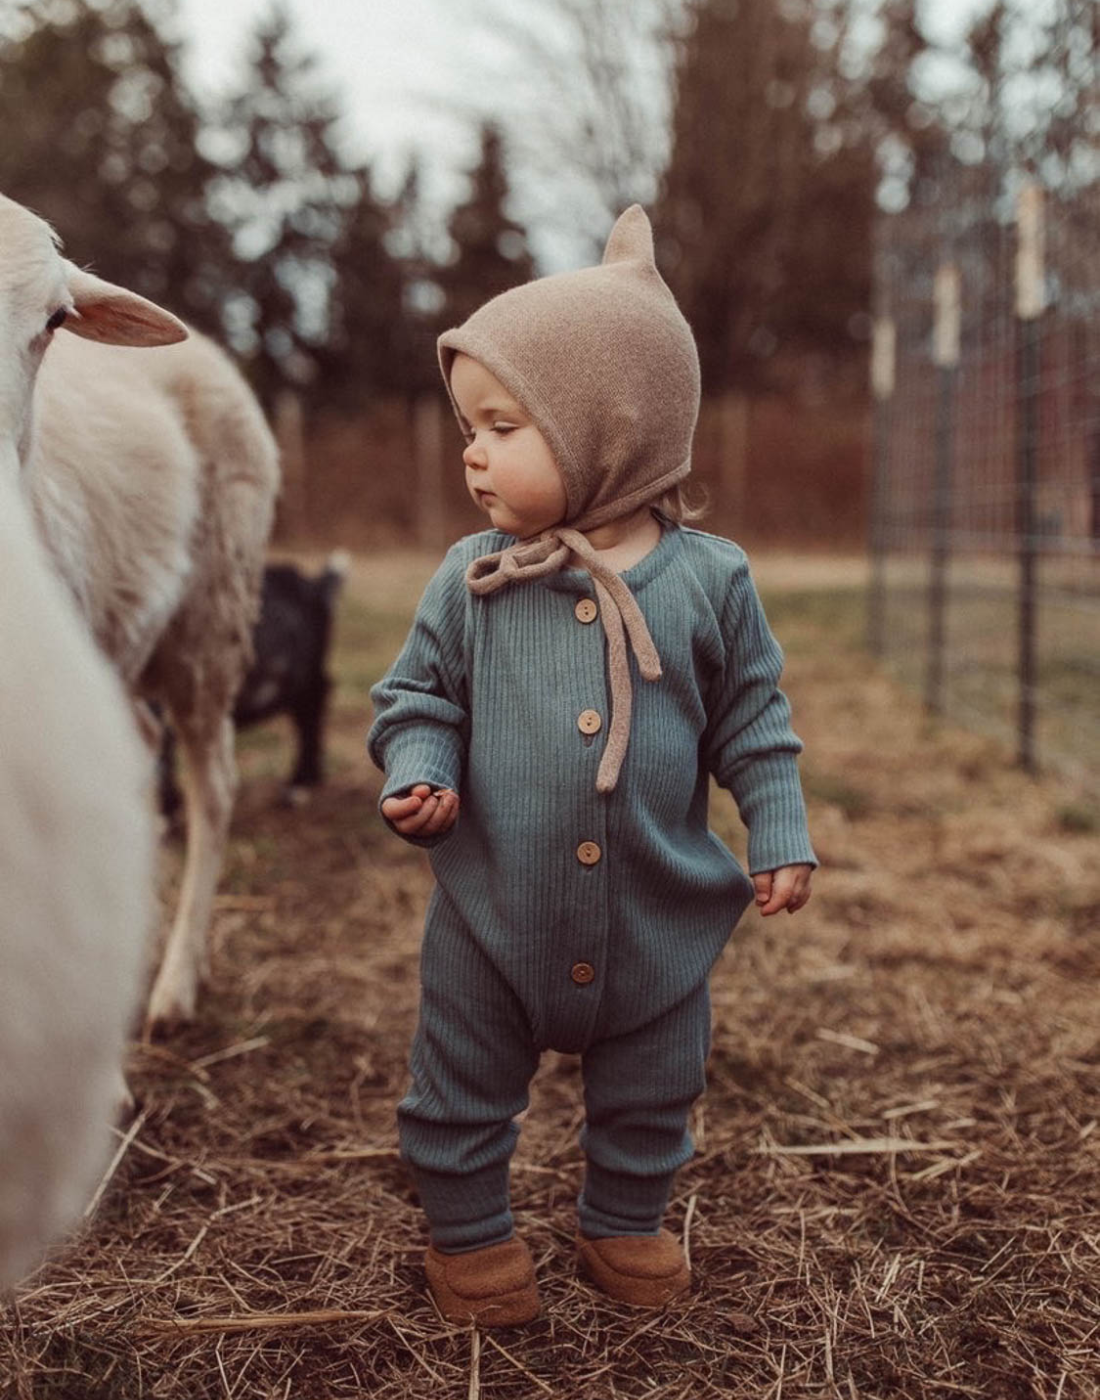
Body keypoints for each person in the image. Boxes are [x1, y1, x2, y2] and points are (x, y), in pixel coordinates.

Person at [368, 205, 816, 1327]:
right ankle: (469, 1232)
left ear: (607, 430)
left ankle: (623, 1217)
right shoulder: (472, 578)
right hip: (492, 907)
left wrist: (777, 826)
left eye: (501, 424)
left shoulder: (709, 582)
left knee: (654, 1086)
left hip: (654, 912)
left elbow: (752, 719)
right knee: (458, 1083)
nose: (472, 450)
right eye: (466, 425)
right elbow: (417, 695)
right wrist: (420, 767)